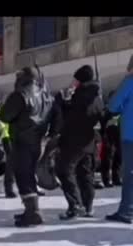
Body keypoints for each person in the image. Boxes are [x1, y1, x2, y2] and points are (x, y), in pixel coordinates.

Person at [0, 66, 57, 227]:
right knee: (29, 175)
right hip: (37, 141)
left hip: (22, 140)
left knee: (23, 177)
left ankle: (33, 212)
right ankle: (32, 210)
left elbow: (4, 116)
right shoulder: (47, 96)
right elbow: (55, 116)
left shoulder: (21, 95)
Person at [55, 65, 104, 220]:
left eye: (76, 79)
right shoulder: (96, 97)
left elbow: (72, 119)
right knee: (85, 174)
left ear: (81, 80)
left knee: (64, 170)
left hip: (74, 141)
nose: (73, 82)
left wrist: (63, 103)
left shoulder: (81, 95)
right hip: (89, 141)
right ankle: (88, 206)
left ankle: (75, 205)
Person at [106, 55, 133, 224]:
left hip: (131, 135)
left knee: (130, 175)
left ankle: (126, 211)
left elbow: (113, 105)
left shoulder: (130, 81)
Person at [100, 92, 122, 188]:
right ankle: (106, 179)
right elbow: (101, 124)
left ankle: (116, 178)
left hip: (120, 137)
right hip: (108, 137)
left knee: (119, 158)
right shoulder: (106, 111)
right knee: (108, 159)